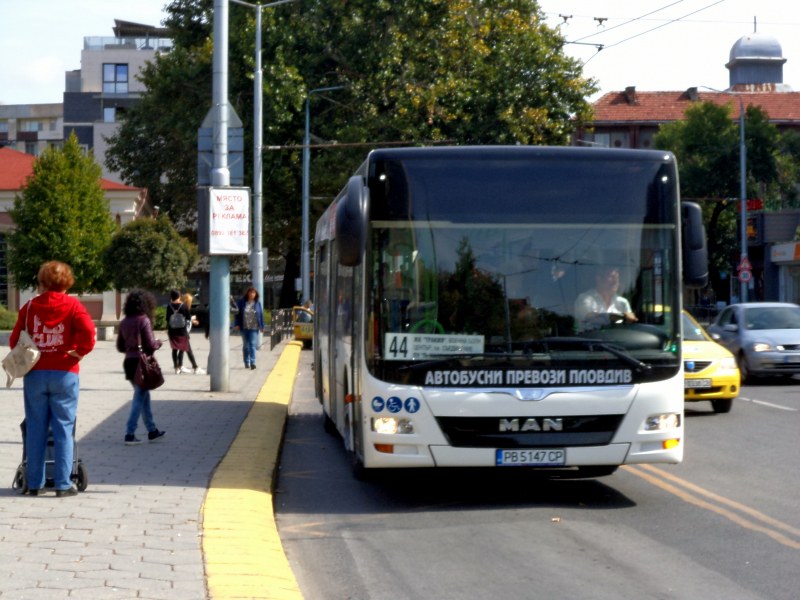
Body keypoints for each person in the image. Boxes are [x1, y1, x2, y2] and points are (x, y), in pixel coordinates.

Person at [10, 260, 96, 497]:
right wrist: (80, 351)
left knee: (36, 427)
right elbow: (89, 332)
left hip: (35, 373)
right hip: (65, 372)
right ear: (66, 281)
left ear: (42, 281)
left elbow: (14, 340)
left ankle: (35, 483)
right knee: (63, 428)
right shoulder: (73, 305)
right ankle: (62, 483)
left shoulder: (28, 308)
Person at [116, 290, 166, 445]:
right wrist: (158, 343)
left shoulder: (124, 322)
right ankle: (129, 433)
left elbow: (120, 346)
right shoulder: (143, 320)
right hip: (141, 363)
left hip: (129, 362)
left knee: (143, 396)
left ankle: (152, 431)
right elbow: (150, 344)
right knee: (139, 397)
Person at [574, 265, 638, 331]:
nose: (615, 282)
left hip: (616, 339)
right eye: (611, 277)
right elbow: (591, 319)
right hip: (589, 339)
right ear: (598, 279)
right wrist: (623, 317)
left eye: (617, 278)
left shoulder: (623, 302)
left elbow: (631, 322)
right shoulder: (585, 299)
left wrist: (626, 318)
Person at [166, 290, 198, 375]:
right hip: (182, 331)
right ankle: (194, 367)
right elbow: (188, 317)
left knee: (174, 349)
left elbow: (167, 319)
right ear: (179, 296)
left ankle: (176, 368)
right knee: (185, 348)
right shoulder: (183, 306)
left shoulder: (169, 306)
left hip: (172, 331)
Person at [233, 286, 265, 369]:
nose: (252, 294)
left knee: (252, 345)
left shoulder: (257, 303)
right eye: (250, 292)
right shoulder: (242, 302)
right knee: (246, 345)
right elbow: (237, 314)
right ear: (247, 293)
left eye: (253, 293)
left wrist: (262, 326)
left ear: (256, 294)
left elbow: (260, 316)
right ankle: (246, 362)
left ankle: (253, 362)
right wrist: (236, 324)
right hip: (244, 327)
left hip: (254, 327)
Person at [179, 292, 205, 374]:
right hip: (183, 333)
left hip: (183, 333)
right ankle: (195, 367)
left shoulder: (183, 308)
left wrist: (192, 320)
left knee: (182, 350)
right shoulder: (184, 308)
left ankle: (180, 366)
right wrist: (192, 318)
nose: (191, 303)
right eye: (190, 302)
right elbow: (184, 319)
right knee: (188, 351)